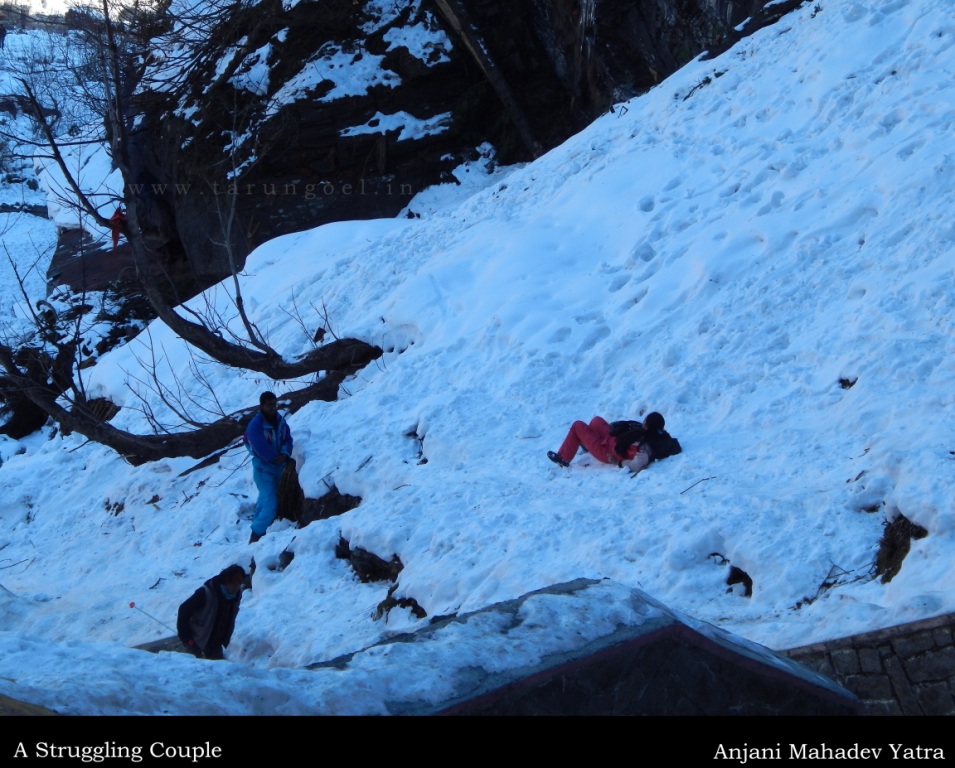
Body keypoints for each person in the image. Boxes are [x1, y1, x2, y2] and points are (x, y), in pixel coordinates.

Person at [547, 411, 678, 474]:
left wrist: (618, 462)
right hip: (612, 440)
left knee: (578, 425)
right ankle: (586, 443)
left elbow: (639, 462)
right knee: (596, 421)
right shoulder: (651, 433)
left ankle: (563, 458)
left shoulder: (645, 444)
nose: (642, 423)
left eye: (645, 421)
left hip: (607, 451)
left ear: (649, 425)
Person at [244, 391, 293, 543]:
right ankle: (257, 534)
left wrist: (284, 454)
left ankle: (258, 529)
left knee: (265, 499)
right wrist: (273, 458)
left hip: (278, 466)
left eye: (275, 404)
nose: (273, 408)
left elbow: (287, 439)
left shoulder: (280, 421)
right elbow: (259, 446)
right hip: (263, 468)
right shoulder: (255, 426)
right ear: (262, 405)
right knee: (271, 502)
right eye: (270, 405)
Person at [177, 564, 246, 660]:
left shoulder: (235, 598)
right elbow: (184, 610)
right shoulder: (205, 593)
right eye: (234, 584)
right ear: (226, 581)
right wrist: (187, 639)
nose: (237, 588)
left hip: (216, 645)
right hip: (197, 643)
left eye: (240, 584)